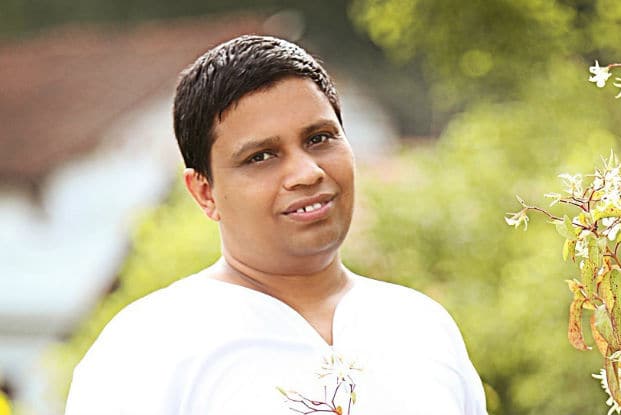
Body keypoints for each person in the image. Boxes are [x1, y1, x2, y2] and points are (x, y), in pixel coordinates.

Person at [65, 35, 488, 415]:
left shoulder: (420, 326)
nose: (307, 173)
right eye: (261, 157)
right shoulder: (148, 348)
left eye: (319, 138)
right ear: (205, 192)